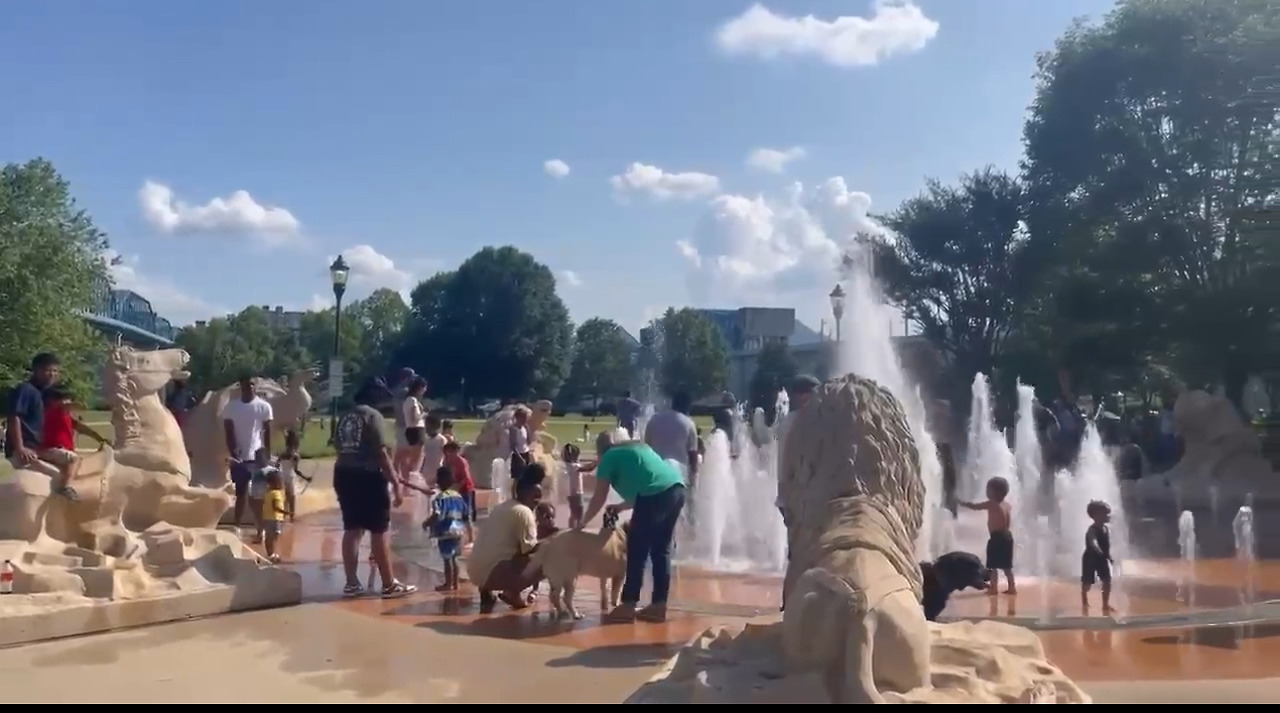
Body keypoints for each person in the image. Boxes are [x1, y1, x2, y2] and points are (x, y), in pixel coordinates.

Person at [579, 428, 686, 623]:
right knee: (661, 550)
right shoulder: (637, 448)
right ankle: (658, 605)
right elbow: (647, 486)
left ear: (600, 449)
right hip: (677, 489)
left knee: (637, 549)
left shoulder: (610, 456)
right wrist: (620, 507)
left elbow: (599, 497)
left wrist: (582, 522)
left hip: (656, 495)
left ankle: (628, 604)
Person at [334, 377, 417, 599]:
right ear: (374, 395)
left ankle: (352, 583)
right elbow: (381, 453)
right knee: (379, 530)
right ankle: (389, 584)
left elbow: (339, 447)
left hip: (343, 473)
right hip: (368, 476)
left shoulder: (345, 417)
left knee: (352, 528)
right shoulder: (373, 416)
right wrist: (396, 483)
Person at [467, 477, 545, 611]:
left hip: (475, 572)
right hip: (493, 574)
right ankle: (512, 592)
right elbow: (530, 549)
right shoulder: (524, 512)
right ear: (523, 493)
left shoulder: (501, 507)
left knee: (506, 549)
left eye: (540, 497)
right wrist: (555, 540)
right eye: (535, 496)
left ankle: (486, 592)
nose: (538, 501)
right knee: (550, 557)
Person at [38, 386, 109, 501]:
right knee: (74, 459)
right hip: (51, 449)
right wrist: (79, 403)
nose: (67, 401)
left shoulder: (65, 416)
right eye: (64, 398)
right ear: (54, 401)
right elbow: (75, 406)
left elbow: (82, 428)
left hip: (58, 450)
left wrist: (100, 438)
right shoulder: (54, 411)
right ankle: (66, 486)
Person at [220, 376, 274, 528]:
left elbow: (267, 431)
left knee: (258, 495)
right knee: (241, 493)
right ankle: (237, 525)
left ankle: (260, 528)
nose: (249, 387)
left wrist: (268, 453)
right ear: (241, 387)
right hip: (239, 457)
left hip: (257, 456)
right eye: (246, 385)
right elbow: (228, 431)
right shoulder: (231, 407)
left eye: (252, 385)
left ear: (255, 387)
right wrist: (233, 451)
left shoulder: (264, 407)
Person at [960, 476, 1017, 595]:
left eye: (988, 489)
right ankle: (1012, 587)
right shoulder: (1007, 505)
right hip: (1007, 536)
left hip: (997, 537)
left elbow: (975, 507)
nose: (986, 492)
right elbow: (1008, 522)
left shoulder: (992, 504)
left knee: (993, 565)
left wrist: (962, 503)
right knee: (1007, 566)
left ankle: (993, 588)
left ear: (996, 492)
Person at [422, 466, 471, 592]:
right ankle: (456, 583)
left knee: (447, 559)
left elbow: (437, 514)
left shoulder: (440, 498)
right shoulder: (459, 497)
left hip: (445, 532)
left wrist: (427, 523)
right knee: (455, 559)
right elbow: (466, 516)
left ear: (439, 482)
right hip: (458, 532)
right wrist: (470, 534)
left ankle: (448, 584)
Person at [643, 391, 699, 487]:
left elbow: (646, 447)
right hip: (679, 474)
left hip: (656, 472)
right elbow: (693, 455)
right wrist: (693, 480)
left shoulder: (654, 419)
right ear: (687, 406)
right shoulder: (688, 423)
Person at [1082, 500, 1114, 613]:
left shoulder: (1106, 529)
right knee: (1087, 582)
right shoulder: (1092, 529)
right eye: (1105, 514)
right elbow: (1092, 541)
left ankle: (1105, 604)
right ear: (1096, 515)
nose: (1108, 516)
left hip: (1102, 558)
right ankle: (1084, 600)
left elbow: (1107, 545)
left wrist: (1109, 556)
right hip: (1090, 559)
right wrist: (1097, 549)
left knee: (1107, 580)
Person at [390, 367, 419, 481]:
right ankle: (401, 480)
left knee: (402, 456)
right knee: (403, 456)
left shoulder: (397, 391)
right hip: (405, 425)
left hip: (401, 424)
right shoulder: (405, 392)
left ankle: (400, 479)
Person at [442, 440, 476, 526]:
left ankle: (470, 531)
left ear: (456, 451)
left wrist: (456, 488)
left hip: (466, 489)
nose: (448, 454)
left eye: (451, 452)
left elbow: (466, 478)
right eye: (447, 452)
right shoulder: (446, 461)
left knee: (465, 513)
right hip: (454, 488)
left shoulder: (461, 462)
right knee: (452, 512)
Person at [400, 376, 428, 481]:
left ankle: (407, 478)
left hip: (411, 430)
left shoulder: (408, 400)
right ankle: (409, 479)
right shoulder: (412, 400)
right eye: (424, 388)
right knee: (416, 460)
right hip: (416, 430)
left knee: (412, 458)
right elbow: (414, 418)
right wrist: (424, 414)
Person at [247, 448, 278, 543]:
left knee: (268, 517)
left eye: (260, 457)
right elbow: (251, 483)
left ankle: (270, 534)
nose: (258, 460)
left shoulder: (271, 470)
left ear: (266, 458)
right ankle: (260, 534)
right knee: (258, 516)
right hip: (255, 496)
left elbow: (277, 485)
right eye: (257, 458)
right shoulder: (253, 470)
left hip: (267, 497)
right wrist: (250, 496)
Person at [262, 468, 290, 563]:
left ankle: (270, 554)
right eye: (280, 481)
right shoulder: (276, 494)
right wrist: (286, 513)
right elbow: (276, 507)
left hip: (267, 517)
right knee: (274, 537)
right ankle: (272, 554)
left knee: (269, 536)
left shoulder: (267, 493)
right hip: (275, 518)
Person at [279, 430, 302, 520]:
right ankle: (292, 517)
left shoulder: (282, 454)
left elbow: (277, 465)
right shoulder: (295, 456)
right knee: (292, 497)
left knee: (284, 498)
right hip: (290, 477)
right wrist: (306, 478)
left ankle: (283, 517)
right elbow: (296, 470)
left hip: (282, 477)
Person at [562, 443, 585, 528]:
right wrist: (597, 462)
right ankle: (578, 529)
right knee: (580, 514)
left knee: (573, 514)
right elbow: (588, 468)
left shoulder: (568, 466)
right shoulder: (575, 466)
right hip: (577, 493)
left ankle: (570, 529)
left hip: (571, 493)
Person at [421, 414, 448, 486]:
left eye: (428, 425)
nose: (426, 427)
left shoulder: (442, 440)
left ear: (436, 426)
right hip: (425, 472)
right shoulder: (425, 440)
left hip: (437, 471)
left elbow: (446, 456)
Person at [508, 406, 533, 482]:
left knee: (526, 477)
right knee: (517, 478)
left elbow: (528, 441)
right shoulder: (513, 429)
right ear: (518, 418)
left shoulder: (525, 427)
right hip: (517, 455)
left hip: (525, 452)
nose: (525, 420)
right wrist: (520, 458)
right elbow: (513, 446)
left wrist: (528, 431)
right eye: (523, 418)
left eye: (526, 418)